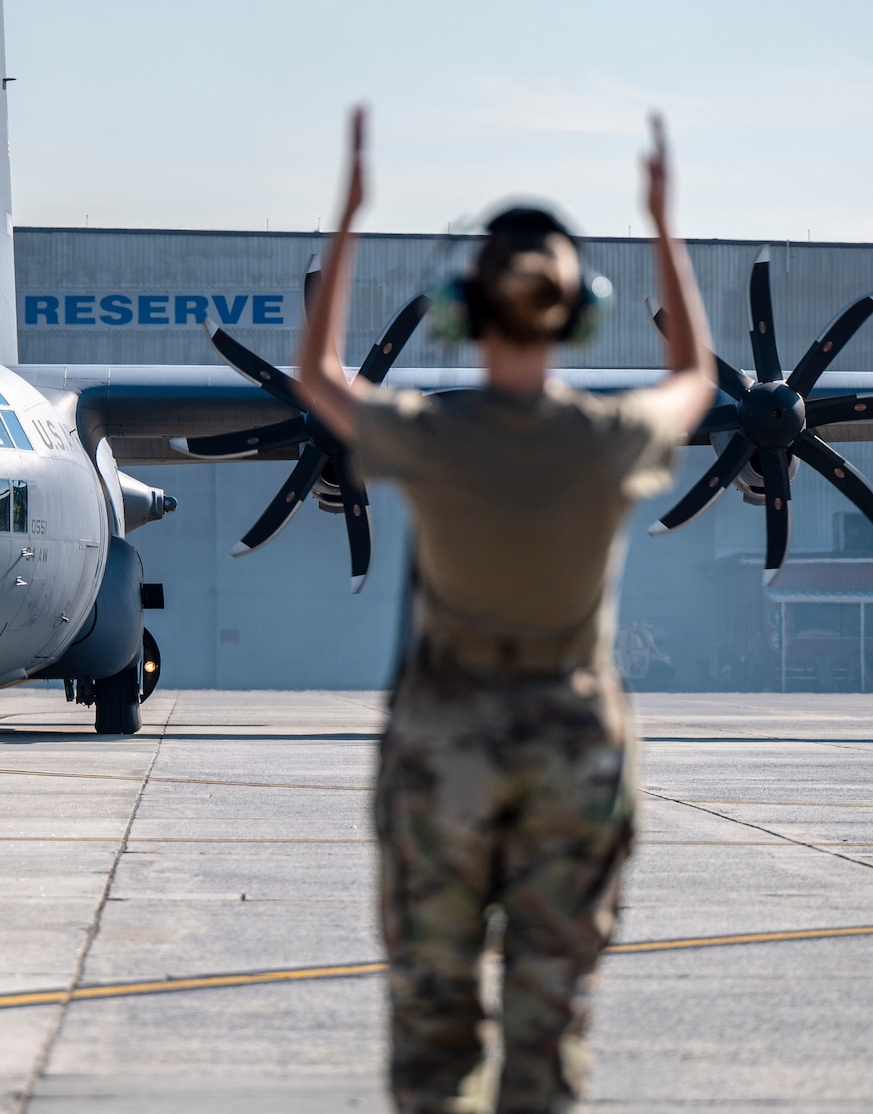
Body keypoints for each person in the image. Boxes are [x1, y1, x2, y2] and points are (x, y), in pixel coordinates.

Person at [296, 108, 713, 1113]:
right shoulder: (609, 439)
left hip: (443, 745)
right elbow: (694, 378)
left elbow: (316, 376)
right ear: (576, 315)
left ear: (457, 310)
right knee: (547, 1016)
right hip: (574, 744)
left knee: (434, 1018)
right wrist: (662, 220)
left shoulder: (427, 437)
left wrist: (347, 213)